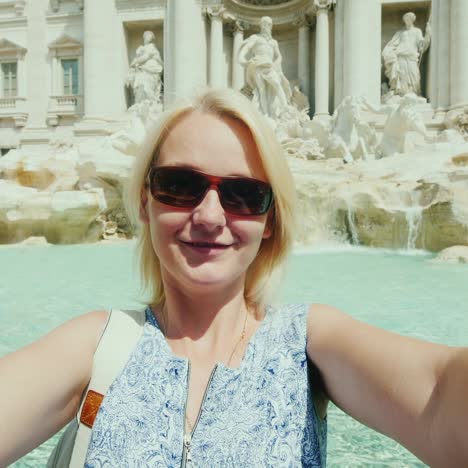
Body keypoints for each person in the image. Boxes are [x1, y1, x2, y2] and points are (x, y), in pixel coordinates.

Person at [1, 88, 467, 466]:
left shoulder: (308, 342)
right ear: (145, 202)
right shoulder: (96, 344)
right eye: (179, 186)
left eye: (244, 195)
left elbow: (441, 392)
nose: (208, 216)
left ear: (271, 221)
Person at [238, 16, 292, 119]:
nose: (267, 26)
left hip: (269, 65)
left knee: (277, 84)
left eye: (269, 24)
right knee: (261, 89)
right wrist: (243, 60)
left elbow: (279, 56)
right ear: (261, 25)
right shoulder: (255, 38)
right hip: (258, 64)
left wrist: (277, 63)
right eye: (265, 24)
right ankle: (265, 114)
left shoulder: (273, 42)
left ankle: (285, 108)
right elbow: (245, 49)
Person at [382, 12, 431, 98]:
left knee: (414, 75)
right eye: (405, 20)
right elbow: (392, 44)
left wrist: (427, 34)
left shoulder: (417, 31)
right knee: (402, 75)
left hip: (412, 57)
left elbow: (421, 45)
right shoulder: (400, 33)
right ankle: (402, 93)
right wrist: (389, 52)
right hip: (400, 56)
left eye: (409, 19)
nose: (407, 21)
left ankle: (414, 92)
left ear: (412, 20)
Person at [126, 30, 163, 104]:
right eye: (146, 36)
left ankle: (152, 102)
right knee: (141, 82)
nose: (148, 38)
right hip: (142, 70)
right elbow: (137, 59)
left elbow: (158, 60)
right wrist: (137, 62)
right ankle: (142, 102)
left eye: (150, 37)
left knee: (150, 85)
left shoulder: (153, 48)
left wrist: (138, 62)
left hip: (152, 69)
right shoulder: (140, 48)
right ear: (144, 38)